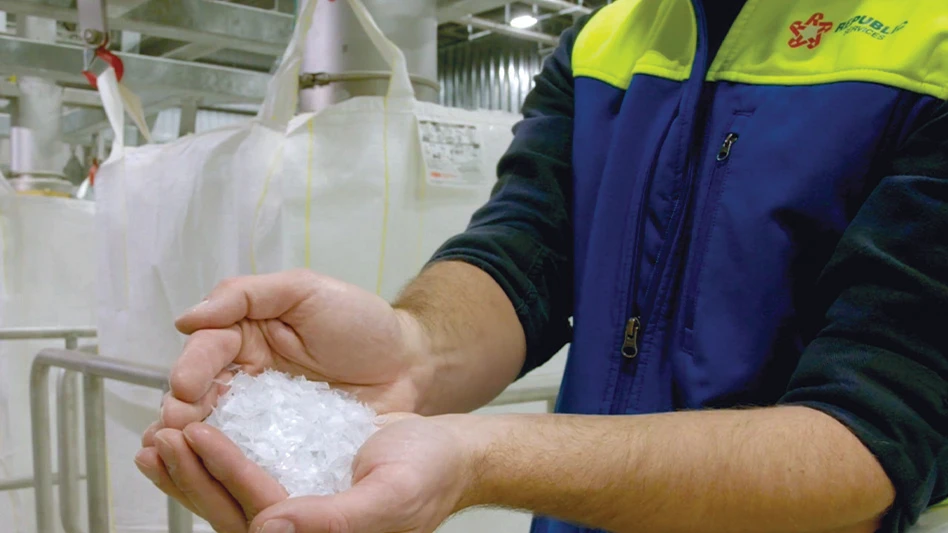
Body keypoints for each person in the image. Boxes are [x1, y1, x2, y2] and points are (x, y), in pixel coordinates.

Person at [134, 1, 948, 532]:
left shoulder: (929, 43)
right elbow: (524, 256)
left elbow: (873, 433)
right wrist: (408, 346)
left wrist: (478, 457)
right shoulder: (609, 38)